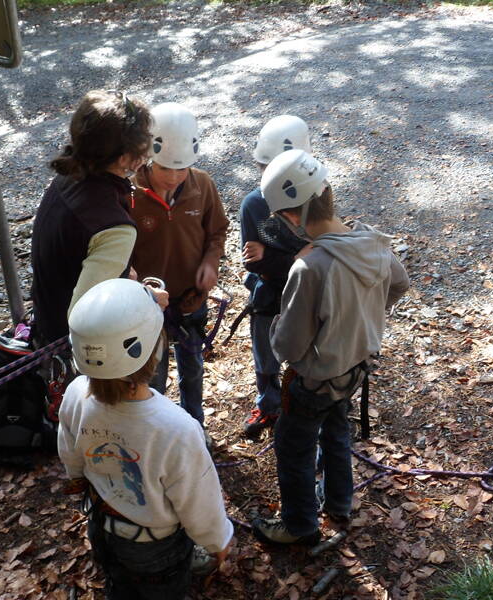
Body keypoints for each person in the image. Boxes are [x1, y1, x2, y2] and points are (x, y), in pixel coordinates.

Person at [251, 149, 409, 544]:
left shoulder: (310, 267)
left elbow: (288, 344)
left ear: (292, 216)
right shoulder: (372, 244)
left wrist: (275, 333)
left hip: (316, 378)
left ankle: (300, 526)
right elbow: (400, 283)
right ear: (327, 193)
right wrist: (366, 312)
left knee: (293, 446)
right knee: (336, 429)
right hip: (356, 365)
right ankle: (339, 502)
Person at [57, 278, 234, 599]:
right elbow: (198, 500)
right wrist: (216, 541)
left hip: (102, 524)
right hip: (155, 546)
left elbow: (71, 455)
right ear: (156, 350)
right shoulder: (176, 428)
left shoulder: (74, 395)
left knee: (119, 585)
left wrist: (79, 479)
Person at [30, 89, 167, 349]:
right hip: (81, 357)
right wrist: (147, 298)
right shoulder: (115, 229)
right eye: (144, 144)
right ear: (125, 157)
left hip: (46, 323)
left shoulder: (69, 176)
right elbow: (86, 318)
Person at [129, 102, 229, 438]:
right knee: (152, 373)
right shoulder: (130, 195)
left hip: (189, 299)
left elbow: (216, 231)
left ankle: (193, 427)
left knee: (192, 366)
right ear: (148, 158)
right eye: (165, 169)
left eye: (181, 169)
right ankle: (157, 432)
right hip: (147, 302)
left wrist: (210, 262)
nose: (173, 178)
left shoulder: (203, 186)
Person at [240, 115, 312, 439]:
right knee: (265, 356)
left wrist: (273, 256)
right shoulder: (255, 204)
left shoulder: (315, 198)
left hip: (308, 292)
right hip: (269, 293)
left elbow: (319, 250)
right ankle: (268, 404)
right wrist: (294, 257)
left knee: (308, 353)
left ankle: (306, 403)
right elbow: (252, 262)